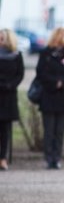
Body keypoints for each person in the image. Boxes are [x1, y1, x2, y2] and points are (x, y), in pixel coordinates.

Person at [36, 28, 64, 169]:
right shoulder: (46, 53)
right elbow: (41, 72)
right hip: (49, 95)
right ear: (60, 37)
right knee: (49, 130)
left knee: (60, 130)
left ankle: (57, 157)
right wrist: (55, 82)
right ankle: (48, 157)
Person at [0, 29, 24, 171]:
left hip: (8, 96)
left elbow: (20, 74)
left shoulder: (16, 55)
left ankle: (3, 158)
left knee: (5, 130)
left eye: (2, 38)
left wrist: (10, 85)